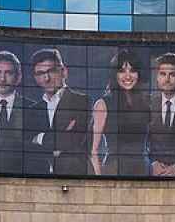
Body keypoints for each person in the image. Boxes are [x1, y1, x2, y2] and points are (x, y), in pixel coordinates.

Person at [89, 49, 151, 177]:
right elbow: (93, 150)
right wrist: (99, 182)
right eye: (122, 71)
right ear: (114, 75)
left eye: (132, 71)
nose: (127, 76)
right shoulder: (103, 104)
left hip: (143, 170)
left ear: (139, 74)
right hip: (114, 169)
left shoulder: (145, 103)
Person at [29, 48, 91, 176]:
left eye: (51, 71)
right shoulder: (33, 110)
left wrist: (40, 137)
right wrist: (59, 139)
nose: (46, 78)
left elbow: (73, 141)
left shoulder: (81, 101)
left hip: (74, 176)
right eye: (40, 73)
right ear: (35, 78)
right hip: (40, 178)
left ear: (64, 71)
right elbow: (27, 147)